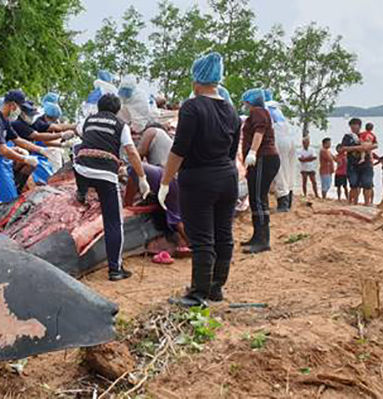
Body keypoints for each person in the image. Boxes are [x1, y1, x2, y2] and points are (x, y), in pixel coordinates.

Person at [158, 52, 241, 307]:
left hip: (199, 179)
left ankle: (198, 293)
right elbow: (232, 149)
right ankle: (216, 287)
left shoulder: (192, 108)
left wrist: (165, 182)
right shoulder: (231, 110)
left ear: (196, 81)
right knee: (223, 233)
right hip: (228, 177)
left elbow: (179, 149)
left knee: (202, 235)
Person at [74, 94, 151, 282]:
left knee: (80, 160)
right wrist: (142, 178)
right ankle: (115, 269)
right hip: (105, 176)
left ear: (99, 107)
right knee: (114, 222)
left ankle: (81, 192)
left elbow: (81, 134)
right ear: (117, 110)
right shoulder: (120, 125)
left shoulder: (89, 120)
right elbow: (131, 151)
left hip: (81, 170)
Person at [240, 88, 280, 254]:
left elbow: (259, 132)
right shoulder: (260, 112)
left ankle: (263, 240)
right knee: (257, 197)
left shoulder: (258, 112)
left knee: (258, 198)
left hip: (263, 157)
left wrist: (253, 152)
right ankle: (258, 236)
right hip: (263, 158)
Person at [266, 90, 298, 212]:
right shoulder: (276, 108)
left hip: (278, 137)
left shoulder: (265, 107)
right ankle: (289, 199)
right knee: (289, 169)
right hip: (289, 136)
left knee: (279, 170)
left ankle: (283, 203)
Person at [341, 118, 378, 205]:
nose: (353, 129)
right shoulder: (348, 137)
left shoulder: (366, 135)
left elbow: (376, 144)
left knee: (367, 184)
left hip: (366, 163)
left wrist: (367, 147)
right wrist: (358, 148)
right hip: (353, 164)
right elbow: (343, 148)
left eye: (355, 127)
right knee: (353, 184)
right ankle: (353, 203)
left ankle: (367, 203)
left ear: (360, 126)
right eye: (352, 127)